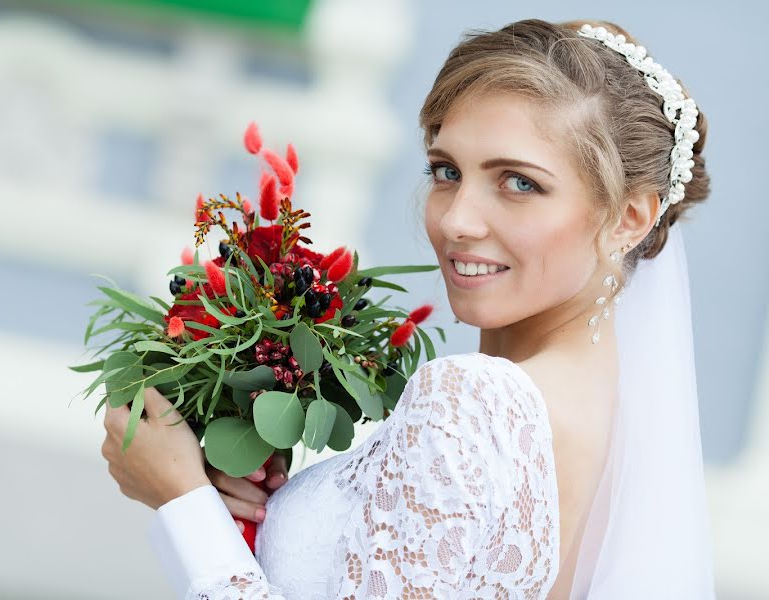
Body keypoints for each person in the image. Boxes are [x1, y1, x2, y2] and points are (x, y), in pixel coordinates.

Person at [101, 18, 716, 599]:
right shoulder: (625, 417)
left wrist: (179, 499)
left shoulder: (473, 401)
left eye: (519, 182)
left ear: (629, 217)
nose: (456, 219)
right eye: (446, 171)